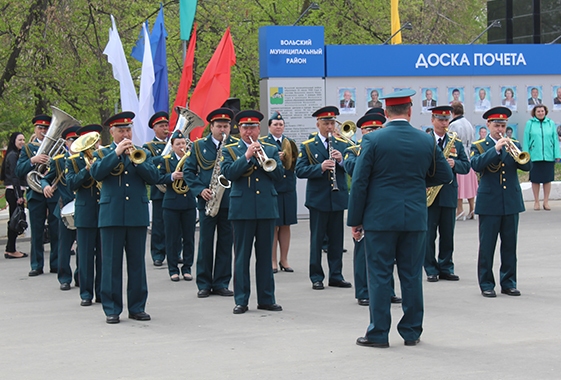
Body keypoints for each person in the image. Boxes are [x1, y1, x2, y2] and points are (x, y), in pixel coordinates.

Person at [347, 89, 453, 348]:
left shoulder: (373, 140)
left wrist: (355, 221)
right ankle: (411, 331)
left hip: (380, 218)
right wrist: (416, 182)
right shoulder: (426, 140)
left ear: (385, 114)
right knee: (411, 275)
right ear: (409, 111)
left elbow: (360, 183)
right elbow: (445, 175)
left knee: (380, 275)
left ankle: (379, 334)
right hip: (415, 217)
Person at [90, 111, 160, 324]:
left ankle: (137, 307)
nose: (125, 134)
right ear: (112, 132)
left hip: (136, 216)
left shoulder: (142, 152)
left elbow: (154, 177)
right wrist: (116, 154)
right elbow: (96, 174)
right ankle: (112, 309)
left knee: (137, 264)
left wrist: (137, 161)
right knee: (111, 264)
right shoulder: (102, 154)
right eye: (121, 130)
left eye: (128, 130)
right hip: (111, 216)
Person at [221, 110, 283, 314]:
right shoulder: (230, 150)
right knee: (242, 257)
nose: (250, 131)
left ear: (259, 129)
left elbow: (280, 175)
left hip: (266, 208)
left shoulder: (271, 149)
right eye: (246, 128)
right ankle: (241, 300)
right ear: (239, 130)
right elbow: (228, 174)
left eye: (254, 127)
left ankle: (266, 298)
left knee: (265, 256)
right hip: (242, 210)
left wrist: (263, 159)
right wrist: (247, 156)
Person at [471, 107, 532, 298]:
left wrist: (515, 151)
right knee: (487, 246)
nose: (500, 129)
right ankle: (487, 283)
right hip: (489, 203)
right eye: (496, 125)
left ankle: (509, 283)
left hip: (511, 202)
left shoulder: (514, 143)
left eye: (503, 125)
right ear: (488, 125)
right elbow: (476, 165)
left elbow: (526, 165)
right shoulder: (480, 145)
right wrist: (496, 149)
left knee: (510, 246)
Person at [343, 112, 402, 306]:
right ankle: (363, 291)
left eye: (377, 128)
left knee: (387, 252)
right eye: (369, 129)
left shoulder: (388, 148)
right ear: (362, 131)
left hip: (385, 205)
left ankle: (389, 290)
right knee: (363, 250)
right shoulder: (352, 149)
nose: (374, 132)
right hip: (365, 204)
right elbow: (352, 168)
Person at [295, 106, 352, 291]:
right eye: (326, 123)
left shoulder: (342, 144)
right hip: (318, 199)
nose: (329, 127)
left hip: (337, 198)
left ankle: (336, 275)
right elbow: (300, 170)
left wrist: (341, 160)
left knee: (337, 241)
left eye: (332, 123)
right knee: (317, 240)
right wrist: (320, 167)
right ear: (318, 123)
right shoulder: (308, 146)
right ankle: (316, 276)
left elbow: (351, 168)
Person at [184, 108, 238, 298]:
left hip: (229, 200)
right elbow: (189, 172)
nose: (223, 129)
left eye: (226, 126)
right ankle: (204, 283)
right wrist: (200, 190)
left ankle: (222, 282)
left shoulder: (236, 145)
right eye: (219, 126)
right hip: (207, 201)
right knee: (206, 243)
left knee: (226, 243)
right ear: (211, 127)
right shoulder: (199, 146)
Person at [425, 106, 470, 282]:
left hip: (449, 193)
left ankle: (446, 267)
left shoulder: (455, 142)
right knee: (428, 235)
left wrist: (455, 164)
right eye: (440, 119)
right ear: (432, 120)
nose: (444, 123)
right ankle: (430, 268)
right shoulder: (426, 140)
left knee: (447, 234)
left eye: (446, 120)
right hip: (429, 194)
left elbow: (466, 166)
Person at [16, 114, 60, 276]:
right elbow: (19, 171)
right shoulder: (28, 149)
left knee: (56, 230)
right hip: (35, 194)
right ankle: (36, 264)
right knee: (37, 230)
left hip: (53, 193)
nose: (43, 131)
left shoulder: (57, 147)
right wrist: (33, 160)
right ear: (35, 129)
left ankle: (55, 263)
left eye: (46, 128)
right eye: (40, 128)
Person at [66, 124, 103, 306]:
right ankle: (86, 294)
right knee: (86, 256)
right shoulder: (73, 161)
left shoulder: (103, 157)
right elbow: (71, 184)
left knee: (104, 256)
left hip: (103, 212)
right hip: (85, 212)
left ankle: (102, 292)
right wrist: (87, 170)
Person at [41, 125, 81, 291]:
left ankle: (81, 276)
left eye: (77, 140)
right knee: (64, 246)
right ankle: (64, 277)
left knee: (83, 246)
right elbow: (46, 178)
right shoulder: (58, 160)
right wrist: (45, 186)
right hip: (64, 207)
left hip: (83, 207)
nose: (74, 143)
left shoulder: (85, 158)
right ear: (66, 142)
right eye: (71, 140)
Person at [259, 111, 297, 273]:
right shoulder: (263, 143)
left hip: (288, 188)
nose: (279, 127)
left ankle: (284, 260)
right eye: (275, 124)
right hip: (273, 187)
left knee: (286, 224)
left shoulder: (290, 142)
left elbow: (296, 162)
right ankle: (273, 261)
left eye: (281, 124)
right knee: (273, 225)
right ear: (269, 127)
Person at [157, 130, 197, 282]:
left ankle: (187, 268)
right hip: (171, 203)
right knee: (172, 238)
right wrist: (172, 176)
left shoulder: (191, 159)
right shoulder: (166, 160)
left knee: (189, 238)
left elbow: (197, 175)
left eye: (183, 143)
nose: (181, 146)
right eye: (178, 144)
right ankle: (173, 269)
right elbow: (158, 177)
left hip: (188, 202)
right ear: (172, 146)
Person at [143, 111, 169, 267]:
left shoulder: (174, 142)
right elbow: (149, 163)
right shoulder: (148, 146)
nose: (165, 128)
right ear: (154, 128)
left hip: (174, 189)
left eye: (166, 125)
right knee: (159, 224)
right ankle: (158, 254)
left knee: (175, 225)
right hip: (159, 189)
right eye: (161, 126)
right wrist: (165, 157)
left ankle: (175, 252)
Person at [523, 105, 561, 211]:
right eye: (538, 111)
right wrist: (526, 155)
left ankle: (546, 202)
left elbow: (555, 139)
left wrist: (557, 154)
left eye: (542, 111)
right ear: (534, 113)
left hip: (548, 156)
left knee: (547, 180)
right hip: (535, 156)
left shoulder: (550, 123)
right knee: (535, 180)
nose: (540, 113)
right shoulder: (530, 124)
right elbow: (526, 139)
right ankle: (536, 202)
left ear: (545, 112)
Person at [448, 102, 478, 221]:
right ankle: (472, 208)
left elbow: (452, 141)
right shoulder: (469, 123)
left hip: (458, 157)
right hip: (468, 156)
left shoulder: (454, 125)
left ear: (452, 112)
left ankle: (459, 209)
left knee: (459, 185)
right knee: (470, 184)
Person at [1, 132, 28, 259]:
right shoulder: (13, 156)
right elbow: (14, 175)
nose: (23, 142)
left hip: (14, 191)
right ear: (13, 141)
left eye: (23, 139)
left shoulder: (14, 154)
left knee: (14, 220)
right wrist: (19, 196)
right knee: (15, 221)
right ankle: (11, 249)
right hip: (14, 192)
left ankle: (10, 248)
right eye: (20, 140)